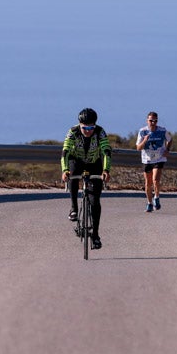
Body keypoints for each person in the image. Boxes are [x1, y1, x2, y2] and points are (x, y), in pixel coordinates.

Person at [61, 107, 112, 250]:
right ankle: (74, 208)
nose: (88, 131)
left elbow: (106, 152)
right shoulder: (73, 132)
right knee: (72, 175)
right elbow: (64, 152)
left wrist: (106, 170)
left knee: (95, 202)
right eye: (85, 128)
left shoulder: (100, 132)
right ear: (79, 124)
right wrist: (65, 170)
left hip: (94, 163)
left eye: (91, 127)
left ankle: (95, 235)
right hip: (76, 161)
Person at [134, 111, 172, 212]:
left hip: (159, 158)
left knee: (155, 180)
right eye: (151, 121)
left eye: (155, 121)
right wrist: (145, 140)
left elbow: (170, 139)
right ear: (147, 121)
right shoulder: (142, 132)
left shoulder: (162, 130)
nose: (153, 123)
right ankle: (149, 203)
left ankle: (157, 197)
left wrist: (167, 150)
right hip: (147, 159)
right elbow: (138, 147)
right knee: (148, 183)